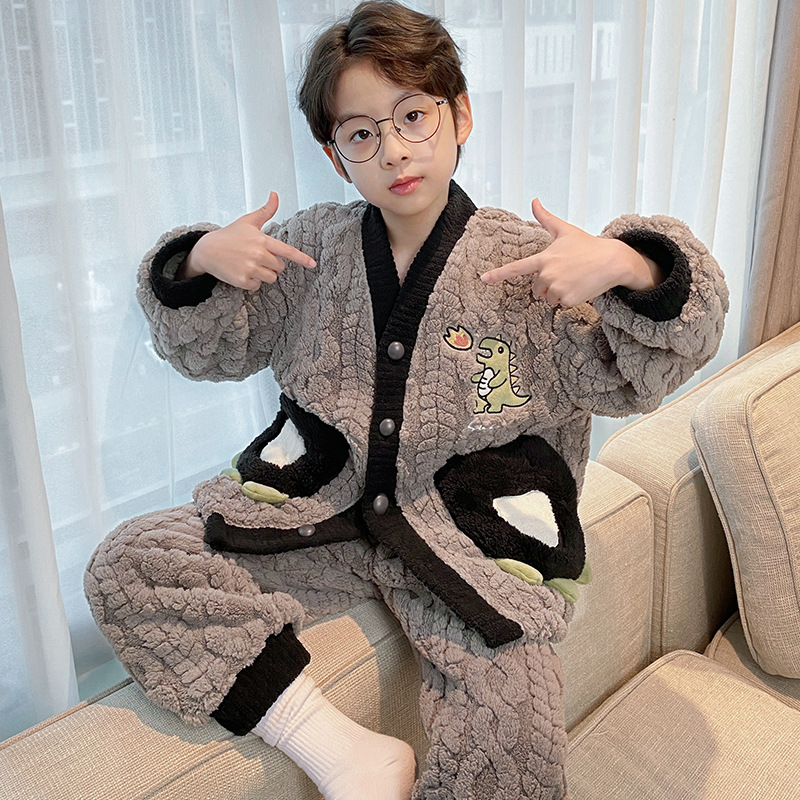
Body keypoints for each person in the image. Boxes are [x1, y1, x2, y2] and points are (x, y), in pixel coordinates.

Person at [84, 2, 729, 798]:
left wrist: (632, 268)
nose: (393, 149)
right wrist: (198, 263)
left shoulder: (534, 268)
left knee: (512, 739)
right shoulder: (312, 251)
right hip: (322, 514)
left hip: (474, 548)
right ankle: (345, 755)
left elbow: (648, 370)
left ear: (460, 116)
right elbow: (213, 347)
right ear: (336, 157)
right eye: (361, 134)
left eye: (413, 116)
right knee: (129, 566)